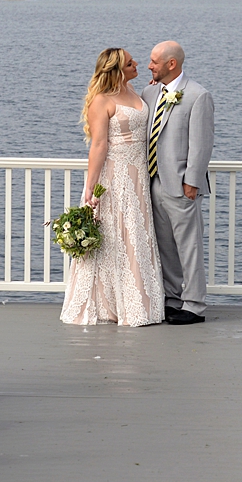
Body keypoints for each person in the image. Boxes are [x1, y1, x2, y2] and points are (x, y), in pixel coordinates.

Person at [60, 48, 165, 326]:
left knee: (136, 233)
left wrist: (154, 89)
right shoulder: (101, 101)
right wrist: (90, 187)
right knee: (115, 234)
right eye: (131, 63)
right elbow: (99, 145)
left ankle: (138, 301)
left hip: (139, 174)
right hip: (115, 175)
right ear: (118, 70)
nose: (138, 64)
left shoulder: (136, 92)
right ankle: (109, 305)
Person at [141, 41, 214, 325]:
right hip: (153, 181)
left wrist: (192, 182)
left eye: (154, 61)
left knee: (189, 245)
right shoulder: (149, 92)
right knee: (164, 245)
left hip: (182, 184)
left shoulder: (198, 95)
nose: (150, 66)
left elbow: (202, 144)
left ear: (172, 64)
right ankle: (172, 299)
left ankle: (194, 305)